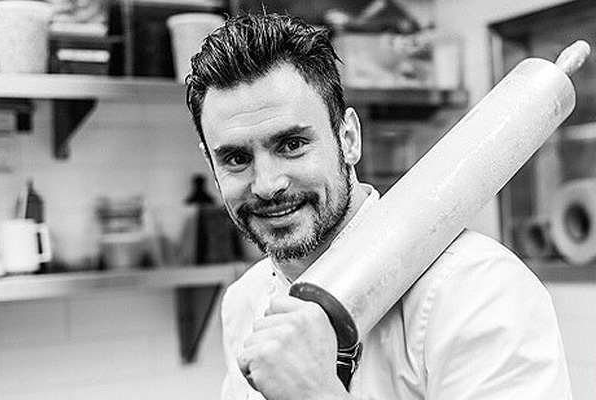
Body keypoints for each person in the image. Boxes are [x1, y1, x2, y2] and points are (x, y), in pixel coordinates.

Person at [185, 13, 572, 400]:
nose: (268, 185)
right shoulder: (243, 303)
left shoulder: (480, 289)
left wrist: (314, 392)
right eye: (236, 158)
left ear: (349, 138)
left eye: (292, 145)